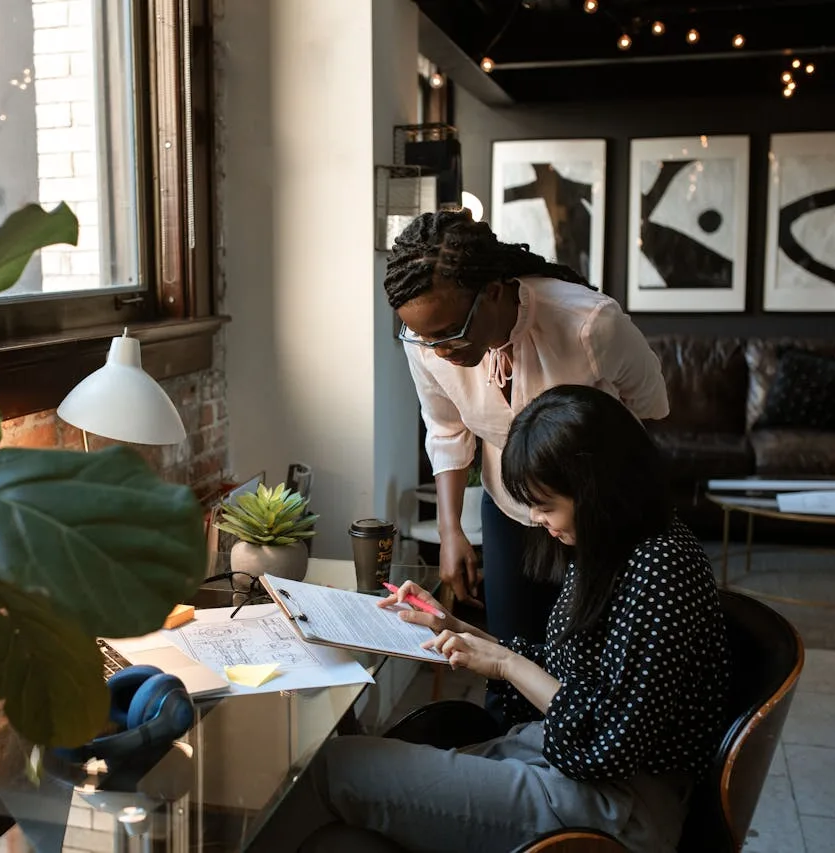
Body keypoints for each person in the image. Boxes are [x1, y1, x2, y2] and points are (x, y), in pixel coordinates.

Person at [295, 385, 730, 853]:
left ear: (596, 488)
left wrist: (503, 662)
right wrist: (456, 629)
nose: (539, 520)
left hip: (617, 804)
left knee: (337, 768)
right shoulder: (615, 546)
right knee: (341, 806)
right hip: (564, 761)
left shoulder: (660, 567)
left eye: (547, 505)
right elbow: (575, 676)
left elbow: (608, 742)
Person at [386, 209, 669, 664]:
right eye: (424, 338)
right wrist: (450, 529)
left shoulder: (590, 324)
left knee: (592, 662)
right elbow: (446, 429)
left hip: (598, 517)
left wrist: (592, 489)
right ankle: (508, 739)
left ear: (493, 292)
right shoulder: (425, 342)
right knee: (509, 654)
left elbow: (650, 407)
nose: (438, 351)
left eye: (450, 334)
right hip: (509, 509)